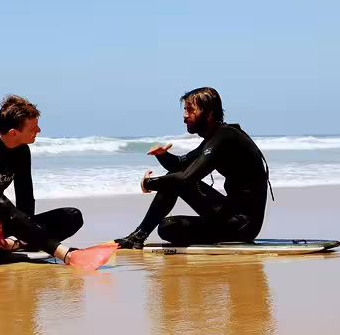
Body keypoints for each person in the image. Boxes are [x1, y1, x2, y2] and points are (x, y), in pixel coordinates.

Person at [0, 95, 118, 271]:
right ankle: (67, 255)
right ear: (14, 133)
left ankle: (10, 244)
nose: (39, 130)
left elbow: (25, 197)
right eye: (34, 127)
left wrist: (25, 231)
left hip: (1, 226)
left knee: (72, 216)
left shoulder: (22, 151)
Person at [115, 87, 273, 249]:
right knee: (173, 180)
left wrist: (148, 184)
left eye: (190, 110)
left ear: (209, 114)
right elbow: (180, 165)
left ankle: (139, 235)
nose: (185, 117)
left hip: (242, 225)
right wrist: (163, 155)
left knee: (168, 226)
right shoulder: (217, 136)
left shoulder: (225, 138)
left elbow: (186, 178)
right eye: (185, 110)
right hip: (229, 212)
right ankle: (138, 235)